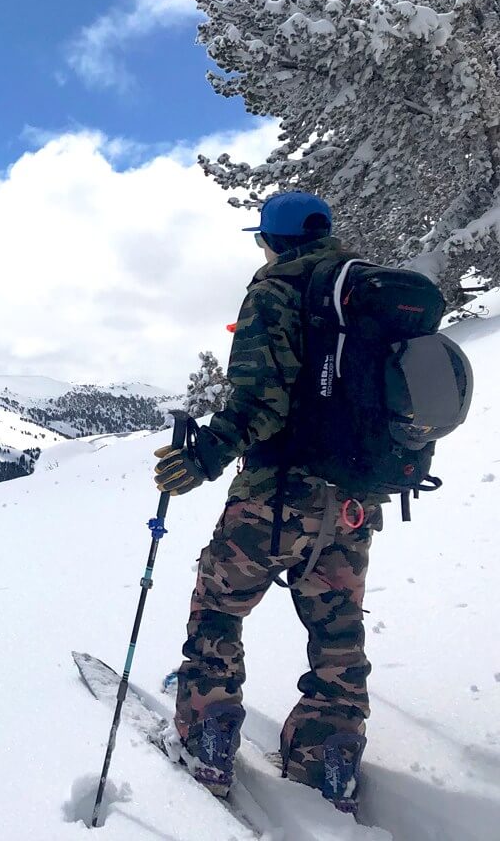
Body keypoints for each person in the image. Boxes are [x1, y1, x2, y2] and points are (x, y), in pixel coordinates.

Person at [153, 191, 376, 814]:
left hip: (277, 497)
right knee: (337, 625)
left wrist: (203, 458)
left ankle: (209, 735)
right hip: (354, 502)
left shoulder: (275, 293)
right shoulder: (366, 293)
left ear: (274, 240)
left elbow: (260, 402)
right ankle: (328, 751)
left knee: (220, 607)